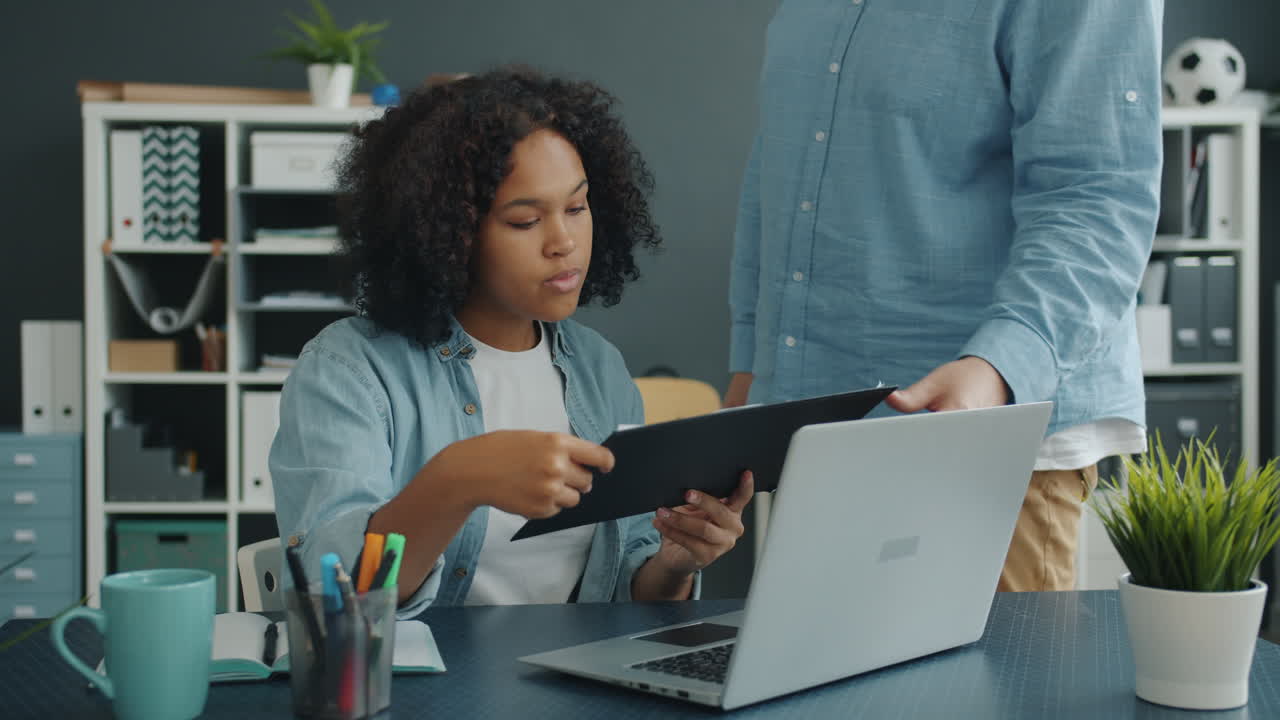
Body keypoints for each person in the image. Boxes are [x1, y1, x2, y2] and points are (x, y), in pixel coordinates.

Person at [271, 68, 753, 616]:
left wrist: (674, 561)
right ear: (448, 233)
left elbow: (624, 595)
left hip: (576, 685)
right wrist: (458, 479)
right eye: (525, 220)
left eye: (577, 207)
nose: (564, 242)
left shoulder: (599, 368)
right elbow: (331, 597)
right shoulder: (348, 370)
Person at [726, 1, 1162, 591]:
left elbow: (1098, 195)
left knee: (994, 686)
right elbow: (777, 167)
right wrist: (753, 362)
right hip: (817, 432)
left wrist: (997, 366)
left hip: (983, 444)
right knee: (805, 682)